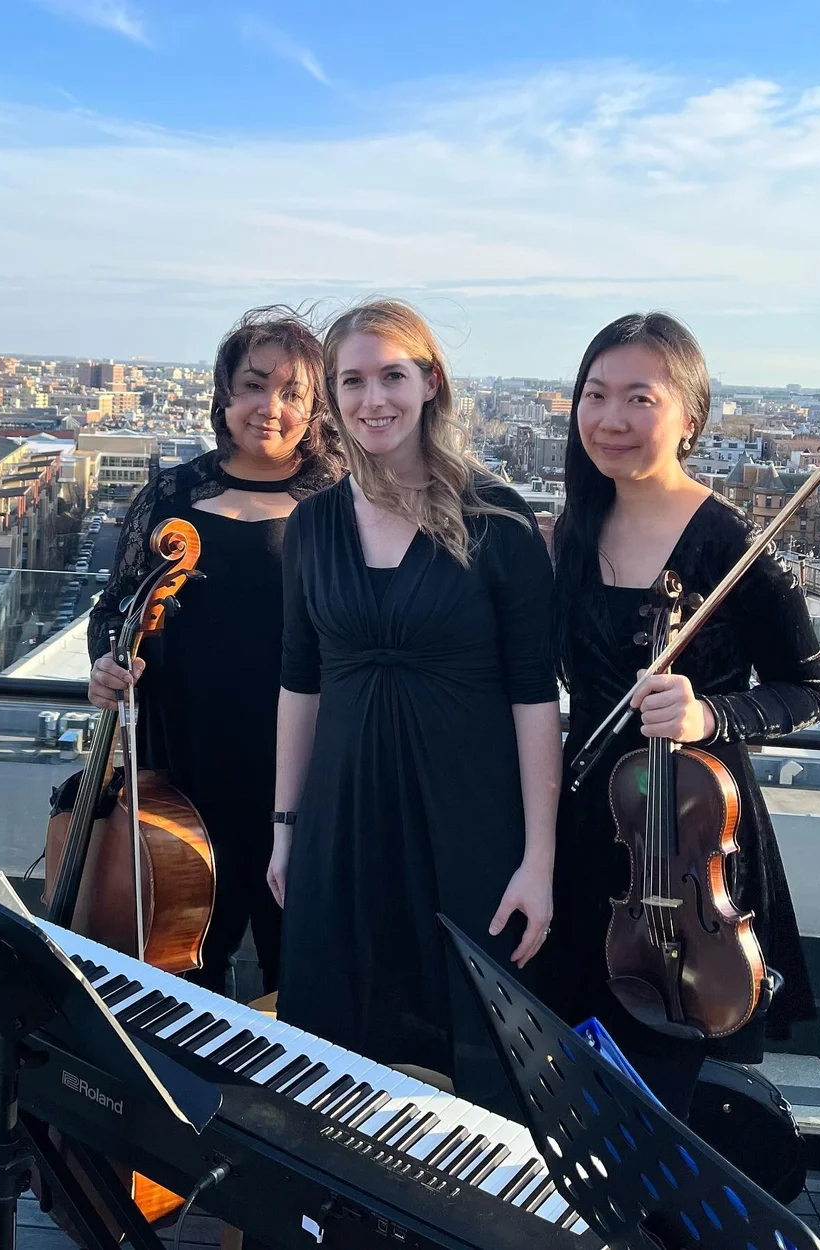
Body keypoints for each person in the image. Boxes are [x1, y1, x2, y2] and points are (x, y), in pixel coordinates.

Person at [269, 299, 561, 1111]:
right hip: (344, 816)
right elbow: (301, 682)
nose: (373, 401)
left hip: (470, 821)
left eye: (392, 376)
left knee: (480, 1045)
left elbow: (535, 698)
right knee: (334, 1039)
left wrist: (539, 862)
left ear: (430, 382)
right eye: (352, 381)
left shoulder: (498, 521)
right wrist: (286, 827)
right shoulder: (313, 527)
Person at [549, 312, 820, 1117]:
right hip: (593, 822)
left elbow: (808, 690)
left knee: (689, 1080)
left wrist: (708, 715)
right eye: (594, 395)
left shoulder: (732, 541)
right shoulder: (574, 528)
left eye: (640, 398)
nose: (611, 419)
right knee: (584, 1062)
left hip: (695, 830)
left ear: (690, 417)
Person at [87, 307, 343, 996]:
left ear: (315, 408)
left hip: (302, 770)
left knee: (306, 969)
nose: (270, 407)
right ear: (224, 392)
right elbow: (115, 608)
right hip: (186, 765)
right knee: (182, 965)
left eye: (293, 393)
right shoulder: (172, 491)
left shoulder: (341, 499)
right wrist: (106, 665)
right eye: (254, 385)